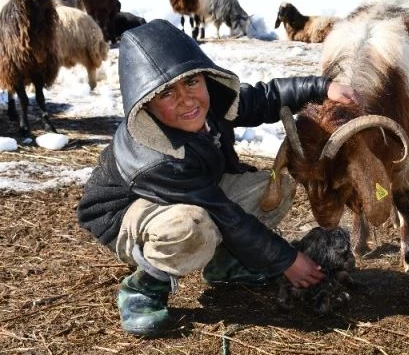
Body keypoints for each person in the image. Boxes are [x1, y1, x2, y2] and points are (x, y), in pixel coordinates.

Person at [77, 19, 358, 337]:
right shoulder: (154, 156)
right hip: (126, 215)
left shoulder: (210, 105)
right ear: (146, 103)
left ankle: (226, 264)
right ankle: (144, 289)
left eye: (192, 82)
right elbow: (224, 215)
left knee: (276, 185)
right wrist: (287, 260)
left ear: (204, 77)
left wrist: (321, 88)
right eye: (167, 92)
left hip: (196, 194)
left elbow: (266, 97)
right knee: (191, 226)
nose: (186, 99)